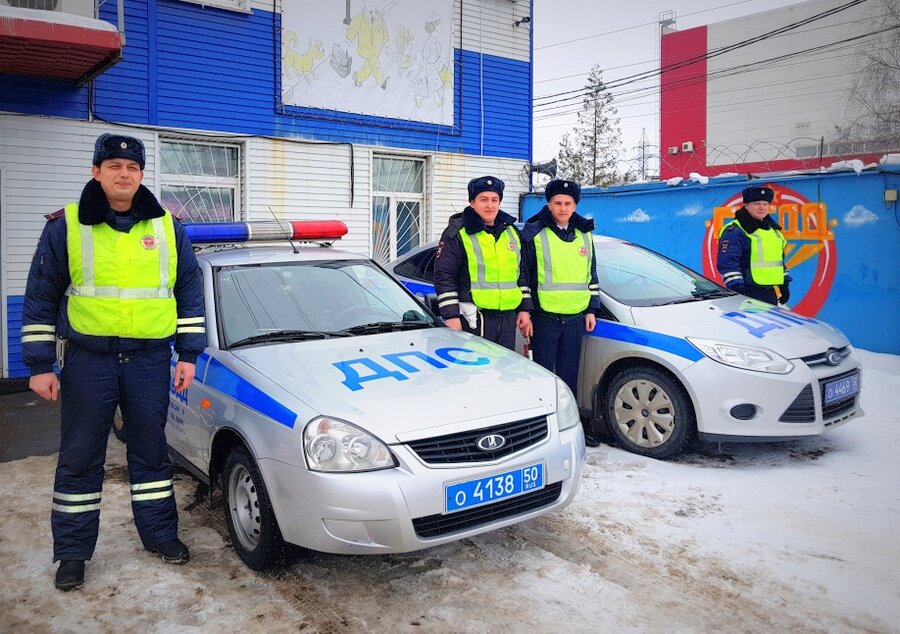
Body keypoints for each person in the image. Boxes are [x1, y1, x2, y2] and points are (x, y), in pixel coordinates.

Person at [21, 133, 206, 591]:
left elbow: (189, 291)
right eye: (113, 166)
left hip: (149, 359)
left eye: (133, 168)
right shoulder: (65, 225)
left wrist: (188, 354)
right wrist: (40, 364)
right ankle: (72, 553)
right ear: (96, 171)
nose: (124, 174)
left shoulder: (166, 226)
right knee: (81, 457)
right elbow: (40, 296)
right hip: (89, 360)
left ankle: (160, 536)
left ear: (142, 175)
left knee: (151, 453)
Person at [521, 179, 602, 446]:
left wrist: (591, 309)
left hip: (576, 317)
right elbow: (525, 276)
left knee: (569, 375)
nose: (563, 208)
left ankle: (573, 428)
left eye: (568, 203)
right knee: (544, 375)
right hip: (545, 317)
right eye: (558, 203)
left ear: (575, 205)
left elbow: (591, 274)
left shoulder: (584, 234)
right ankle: (545, 432)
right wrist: (527, 312)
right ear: (549, 204)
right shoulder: (534, 232)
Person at [433, 175, 532, 350]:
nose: (490, 205)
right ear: (472, 202)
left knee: (504, 370)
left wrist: (525, 309)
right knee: (477, 371)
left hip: (508, 319)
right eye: (483, 199)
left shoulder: (511, 232)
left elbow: (520, 274)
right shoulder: (458, 232)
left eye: (495, 200)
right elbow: (444, 275)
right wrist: (451, 316)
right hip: (475, 318)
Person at [717, 185, 791, 306]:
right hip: (747, 291)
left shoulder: (774, 231)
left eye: (765, 204)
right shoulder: (735, 230)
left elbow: (779, 261)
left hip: (769, 292)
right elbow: (728, 263)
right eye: (756, 203)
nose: (762, 207)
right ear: (746, 206)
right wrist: (738, 290)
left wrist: (784, 284)